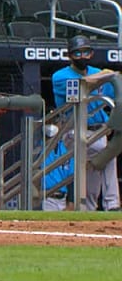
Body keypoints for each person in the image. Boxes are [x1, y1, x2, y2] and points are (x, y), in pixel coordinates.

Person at [50, 35, 120, 211]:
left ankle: (88, 213)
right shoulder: (60, 76)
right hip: (73, 130)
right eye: (77, 53)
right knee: (107, 155)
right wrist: (106, 75)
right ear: (70, 55)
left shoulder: (97, 71)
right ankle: (112, 204)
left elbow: (116, 87)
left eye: (86, 52)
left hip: (99, 130)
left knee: (92, 182)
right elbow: (83, 85)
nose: (82, 56)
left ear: (92, 53)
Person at [40, 124, 73, 211]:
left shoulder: (64, 151)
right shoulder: (39, 148)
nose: (51, 126)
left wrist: (71, 202)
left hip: (62, 199)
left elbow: (71, 178)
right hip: (46, 198)